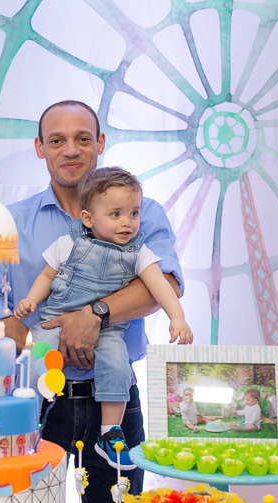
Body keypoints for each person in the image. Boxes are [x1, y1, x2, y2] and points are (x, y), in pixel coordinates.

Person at [0, 100, 184, 503]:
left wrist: (95, 314)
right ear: (40, 148)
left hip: (114, 396)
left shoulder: (141, 212)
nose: (71, 150)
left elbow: (163, 284)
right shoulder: (11, 221)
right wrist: (26, 334)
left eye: (82, 138)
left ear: (101, 143)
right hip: (39, 393)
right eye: (57, 140)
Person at [14, 167, 193, 469]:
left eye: (134, 213)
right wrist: (31, 299)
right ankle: (25, 420)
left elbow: (161, 285)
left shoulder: (139, 252)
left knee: (116, 363)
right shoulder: (69, 243)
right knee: (36, 356)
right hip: (55, 318)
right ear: (88, 219)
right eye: (116, 214)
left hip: (107, 329)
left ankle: (110, 431)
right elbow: (47, 273)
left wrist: (177, 317)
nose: (128, 223)